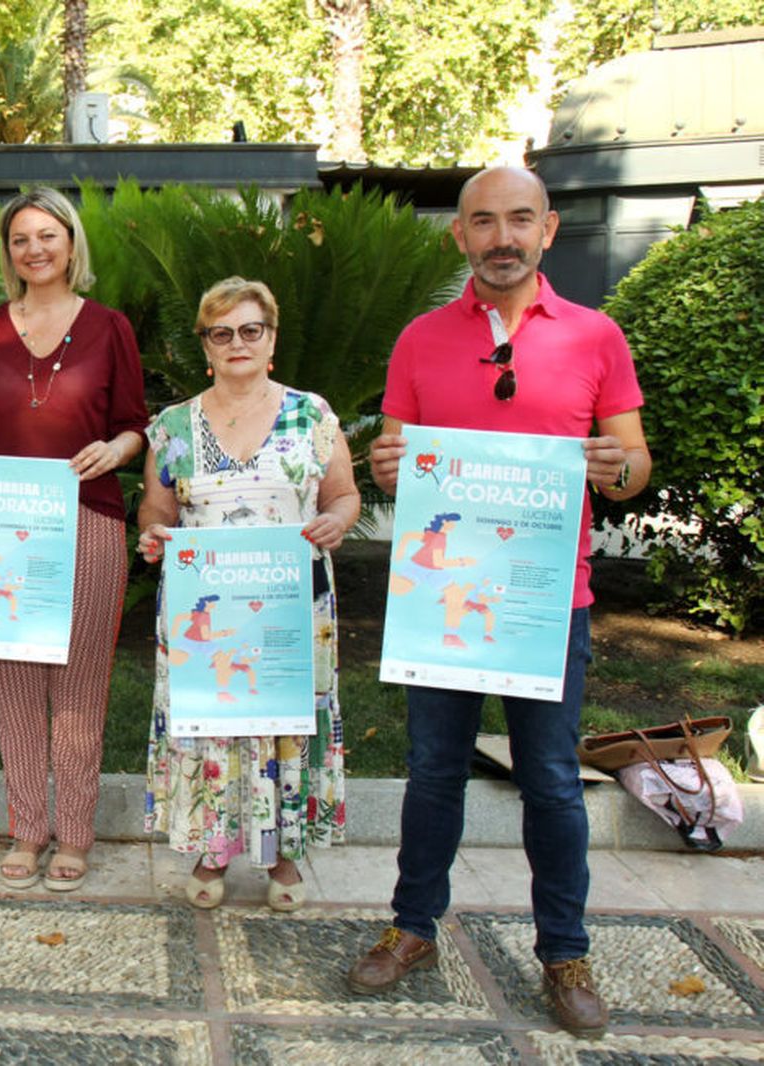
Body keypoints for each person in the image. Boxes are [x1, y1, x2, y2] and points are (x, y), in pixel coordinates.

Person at [347, 166, 650, 1037]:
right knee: (433, 773)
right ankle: (412, 929)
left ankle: (564, 952)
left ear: (548, 230)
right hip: (441, 600)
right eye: (484, 222)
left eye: (520, 220)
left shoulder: (596, 336)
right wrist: (386, 466)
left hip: (548, 604)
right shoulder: (420, 339)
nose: (503, 237)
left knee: (552, 783)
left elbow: (633, 465)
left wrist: (614, 468)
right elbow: (396, 451)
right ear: (461, 237)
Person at [0, 187, 149, 891]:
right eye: (21, 238)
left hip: (89, 518)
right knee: (14, 685)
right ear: (9, 252)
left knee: (78, 688)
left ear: (71, 244)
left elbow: (135, 425)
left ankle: (75, 833)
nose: (35, 249)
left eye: (48, 235)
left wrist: (116, 451)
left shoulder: (109, 326)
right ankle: (27, 828)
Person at [136, 277, 358, 912]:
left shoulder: (311, 415)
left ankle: (285, 854)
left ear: (271, 339)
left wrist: (337, 522)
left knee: (284, 720)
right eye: (222, 332)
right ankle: (213, 848)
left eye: (250, 330)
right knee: (211, 719)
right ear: (206, 344)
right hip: (206, 608)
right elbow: (158, 511)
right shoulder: (173, 427)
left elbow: (343, 495)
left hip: (290, 606)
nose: (238, 343)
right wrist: (155, 536)